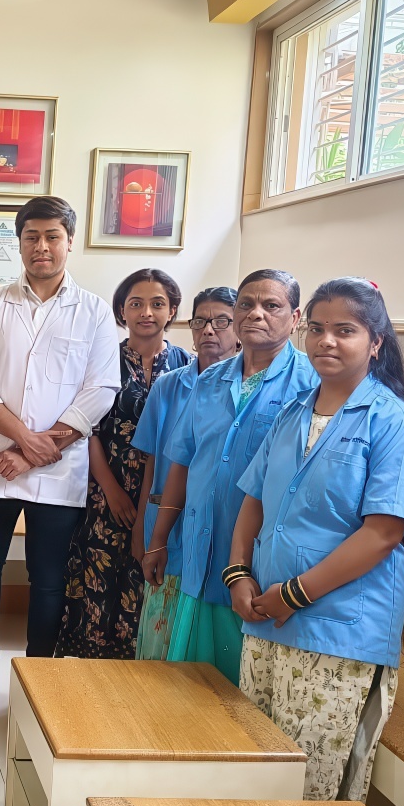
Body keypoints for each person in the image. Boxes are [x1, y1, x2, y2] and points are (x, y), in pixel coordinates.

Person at [228, 278, 404, 801]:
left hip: (336, 632)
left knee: (310, 789)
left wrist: (294, 594)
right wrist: (238, 573)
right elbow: (254, 499)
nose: (326, 341)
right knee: (256, 772)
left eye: (345, 331)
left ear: (376, 342)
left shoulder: (396, 424)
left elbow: (383, 533)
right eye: (317, 329)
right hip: (266, 618)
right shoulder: (293, 413)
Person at [0, 196, 121, 715]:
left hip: (57, 471)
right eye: (31, 237)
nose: (41, 246)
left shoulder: (93, 311)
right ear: (19, 243)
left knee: (48, 581)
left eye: (52, 237)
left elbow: (100, 389)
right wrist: (25, 438)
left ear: (70, 242)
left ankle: (39, 677)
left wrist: (33, 452)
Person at [143, 269, 317, 686]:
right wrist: (159, 539)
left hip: (262, 562)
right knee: (187, 682)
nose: (256, 314)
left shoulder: (310, 384)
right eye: (246, 305)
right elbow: (183, 463)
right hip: (198, 548)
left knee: (239, 688)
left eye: (271, 306)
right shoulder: (210, 380)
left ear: (295, 318)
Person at [55, 268, 189, 660]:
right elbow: (87, 428)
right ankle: (92, 679)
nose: (146, 312)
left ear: (172, 311)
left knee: (147, 584)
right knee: (97, 585)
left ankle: (138, 679)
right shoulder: (102, 360)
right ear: (121, 311)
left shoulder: (187, 366)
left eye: (157, 304)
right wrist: (112, 491)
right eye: (136, 304)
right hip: (103, 493)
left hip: (165, 495)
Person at [133, 287, 240, 660]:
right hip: (165, 517)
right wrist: (142, 527)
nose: (209, 330)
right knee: (161, 631)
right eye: (200, 321)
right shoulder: (169, 385)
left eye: (221, 321)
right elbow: (154, 461)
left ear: (240, 327)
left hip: (222, 523)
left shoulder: (252, 390)